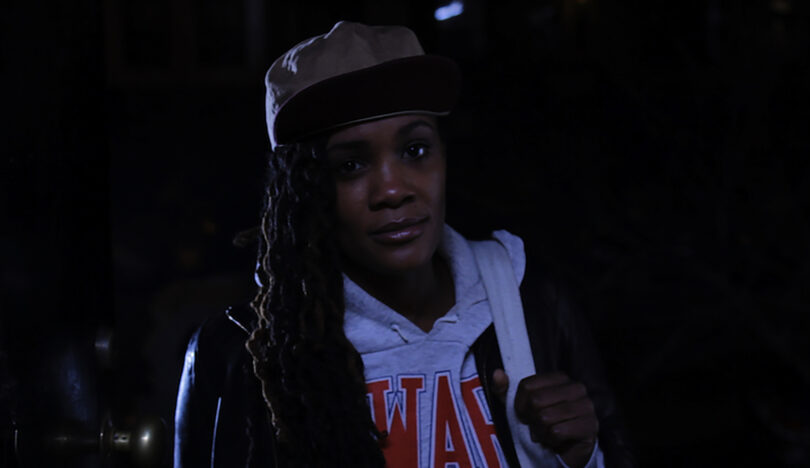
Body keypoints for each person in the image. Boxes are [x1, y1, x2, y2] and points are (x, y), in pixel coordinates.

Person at [174, 21, 633, 468]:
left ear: (444, 156)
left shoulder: (534, 303)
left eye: (415, 150)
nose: (392, 190)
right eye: (350, 165)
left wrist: (579, 457)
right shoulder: (241, 354)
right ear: (304, 191)